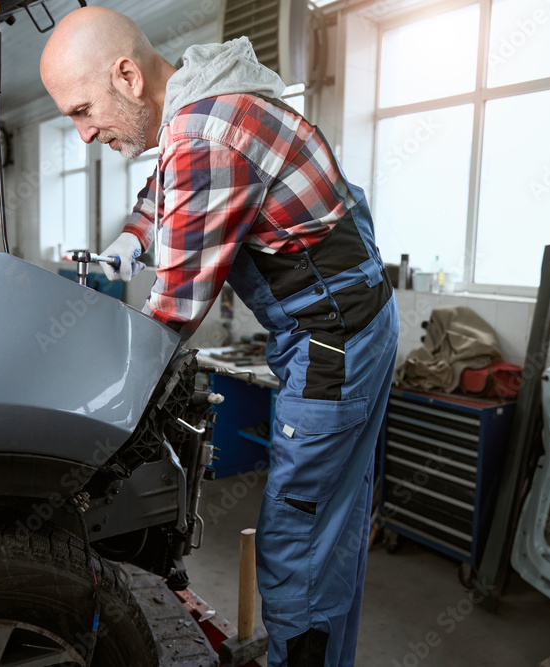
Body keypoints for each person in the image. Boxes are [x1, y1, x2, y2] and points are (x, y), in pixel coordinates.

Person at [40, 8, 398, 666]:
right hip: (357, 321)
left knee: (300, 534)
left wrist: (97, 412)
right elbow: (166, 183)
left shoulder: (207, 137)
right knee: (334, 525)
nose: (85, 133)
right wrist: (130, 238)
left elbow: (175, 307)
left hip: (332, 342)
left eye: (83, 110)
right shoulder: (206, 97)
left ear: (126, 76)